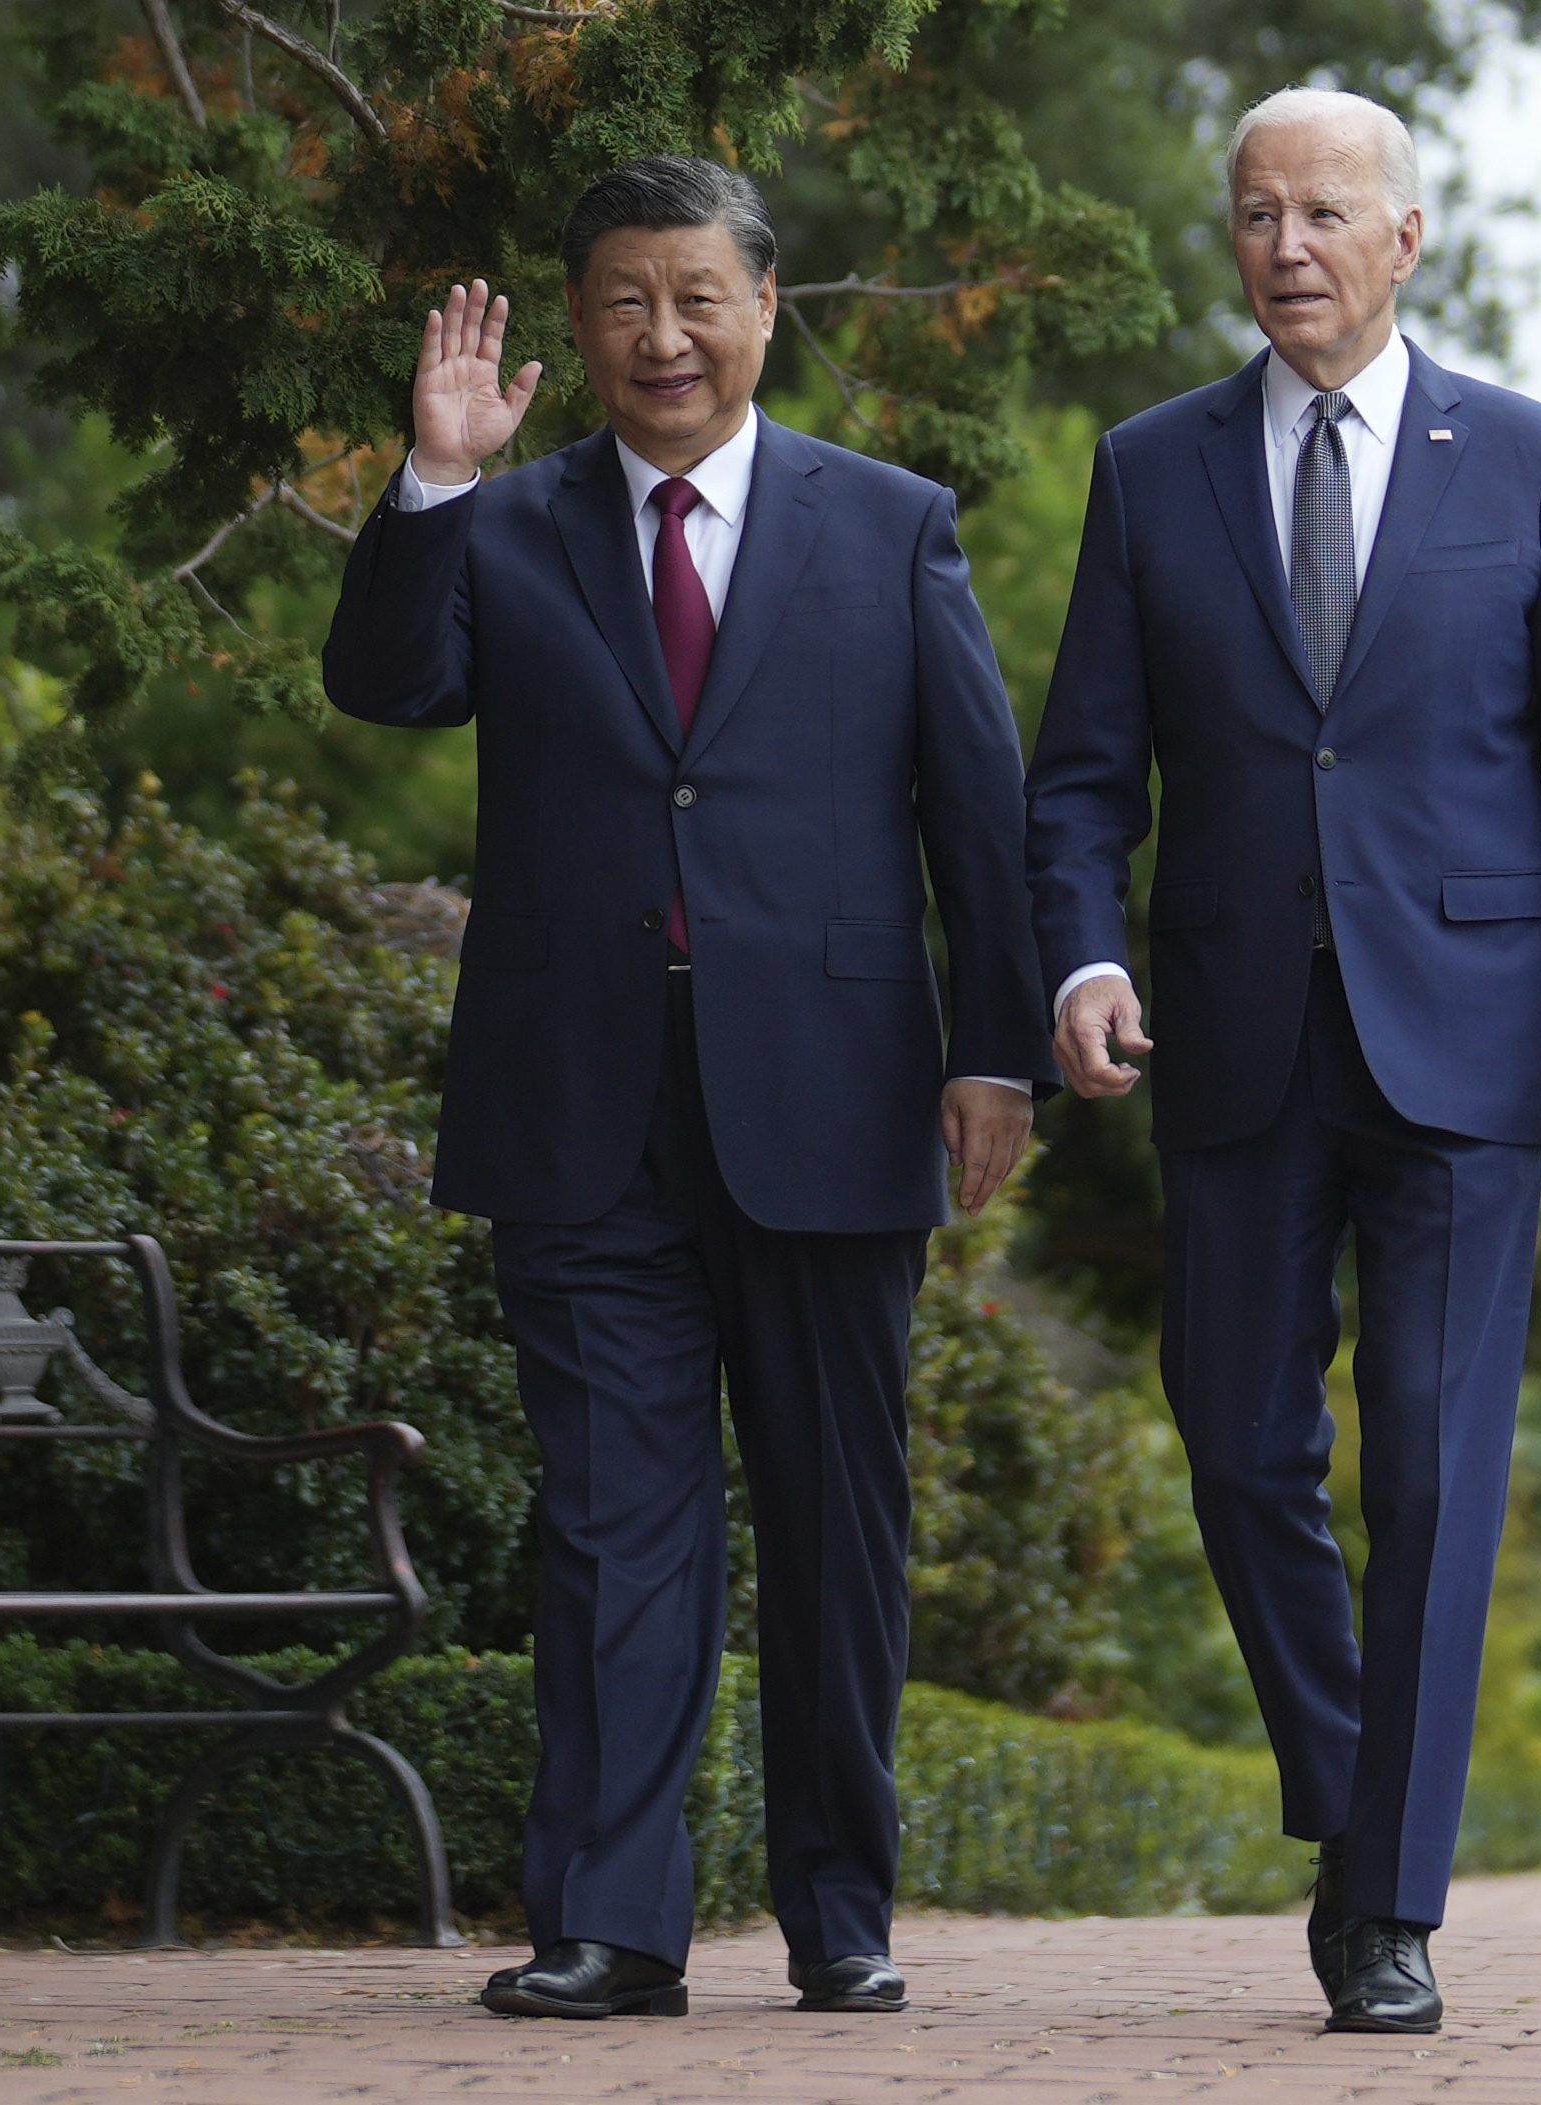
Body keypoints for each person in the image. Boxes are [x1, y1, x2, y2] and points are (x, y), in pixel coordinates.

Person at [324, 155, 1053, 2020]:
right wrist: (434, 477)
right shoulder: (500, 525)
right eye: (625, 302)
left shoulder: (889, 525)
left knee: (832, 1524)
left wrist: (993, 1052)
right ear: (575, 330)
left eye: (697, 296)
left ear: (762, 307)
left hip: (833, 1092)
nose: (664, 335)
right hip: (579, 1101)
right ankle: (610, 1922)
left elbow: (975, 820)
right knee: (609, 1525)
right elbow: (388, 685)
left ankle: (839, 1909)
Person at [1024, 87, 1541, 2034]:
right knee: (1236, 1442)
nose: (1285, 245)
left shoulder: (1529, 462)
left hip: (1471, 1048)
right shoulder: (1150, 473)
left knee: (1437, 1457)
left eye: (1323, 212)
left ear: (1406, 243)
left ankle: (1386, 1901)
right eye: (1253, 214)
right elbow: (1079, 777)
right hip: (1229, 1039)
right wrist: (1075, 951)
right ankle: (1347, 1783)